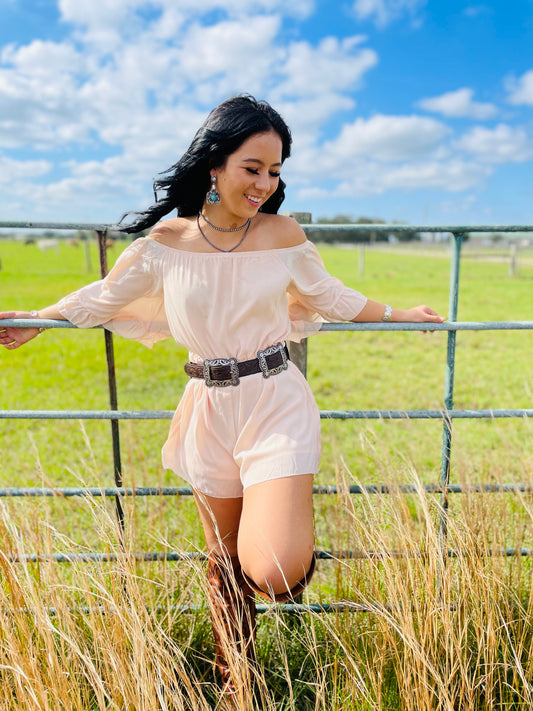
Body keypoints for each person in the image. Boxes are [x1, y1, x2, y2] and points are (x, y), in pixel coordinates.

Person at [0, 95, 444, 698]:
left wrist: (399, 314)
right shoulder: (166, 242)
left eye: (275, 170)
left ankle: (287, 559)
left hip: (274, 399)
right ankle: (239, 679)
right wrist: (36, 319)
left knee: (273, 568)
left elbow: (331, 296)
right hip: (209, 407)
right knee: (222, 562)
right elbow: (100, 298)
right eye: (252, 167)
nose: (265, 183)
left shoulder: (282, 233)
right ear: (216, 165)